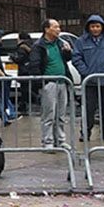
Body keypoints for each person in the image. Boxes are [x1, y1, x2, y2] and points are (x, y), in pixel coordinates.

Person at [71, 13, 104, 142]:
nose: (95, 29)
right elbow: (76, 58)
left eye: (98, 26)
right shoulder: (81, 41)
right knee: (89, 109)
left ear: (102, 27)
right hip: (90, 82)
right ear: (88, 27)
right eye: (93, 26)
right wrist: (86, 73)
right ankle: (85, 132)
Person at [28, 19, 73, 148]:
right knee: (49, 114)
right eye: (55, 27)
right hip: (49, 83)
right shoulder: (39, 46)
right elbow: (34, 65)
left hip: (62, 81)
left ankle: (60, 139)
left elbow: (67, 59)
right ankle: (47, 141)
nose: (58, 29)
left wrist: (68, 52)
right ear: (47, 29)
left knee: (61, 114)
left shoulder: (61, 43)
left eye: (59, 27)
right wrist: (42, 82)